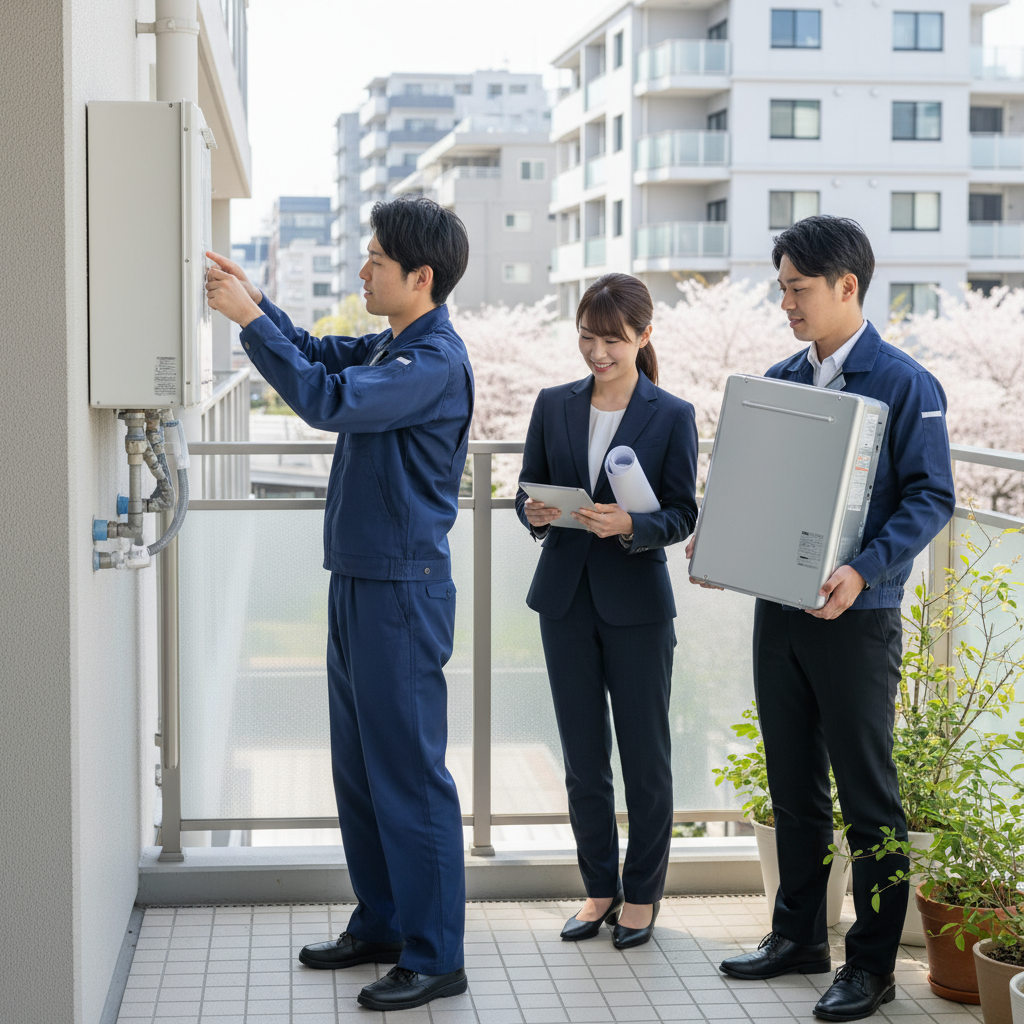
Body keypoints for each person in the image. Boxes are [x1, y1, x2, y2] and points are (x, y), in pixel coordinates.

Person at [205, 195, 474, 1013]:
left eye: (377, 261)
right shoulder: (395, 343)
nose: (364, 270)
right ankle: (384, 923)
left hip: (401, 589)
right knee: (360, 772)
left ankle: (435, 955)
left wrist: (248, 319)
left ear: (419, 277)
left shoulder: (432, 362)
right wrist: (261, 305)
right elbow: (319, 353)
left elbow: (329, 401)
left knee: (409, 776)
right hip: (359, 578)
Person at [689, 216, 955, 1021]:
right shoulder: (780, 378)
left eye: (798, 290)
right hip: (782, 611)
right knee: (793, 779)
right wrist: (724, 533)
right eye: (781, 290)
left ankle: (869, 965)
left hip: (858, 616)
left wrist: (861, 569)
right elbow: (755, 485)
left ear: (847, 287)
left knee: (868, 794)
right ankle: (798, 935)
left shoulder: (905, 383)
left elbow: (931, 496)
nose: (787, 305)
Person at [515, 274, 699, 950]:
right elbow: (527, 490)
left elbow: (682, 513)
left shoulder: (671, 414)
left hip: (638, 606)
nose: (597, 353)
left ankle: (642, 895)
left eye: (612, 341)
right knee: (583, 757)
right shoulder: (553, 403)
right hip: (563, 600)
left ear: (644, 336)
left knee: (646, 757)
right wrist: (534, 513)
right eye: (587, 338)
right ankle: (599, 889)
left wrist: (631, 523)